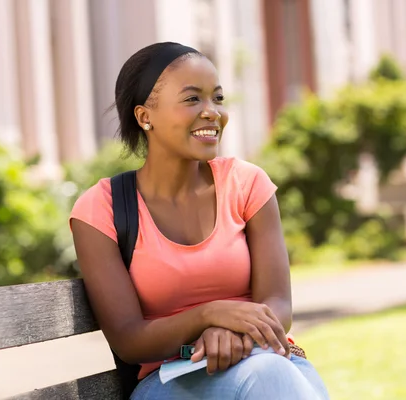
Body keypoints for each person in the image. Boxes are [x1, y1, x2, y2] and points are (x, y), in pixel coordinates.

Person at [69, 42, 330, 399]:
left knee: (270, 373)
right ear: (145, 116)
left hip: (266, 361)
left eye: (217, 99)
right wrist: (208, 317)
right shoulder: (102, 209)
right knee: (271, 377)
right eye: (193, 99)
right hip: (170, 382)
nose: (212, 112)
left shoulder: (246, 184)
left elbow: (278, 306)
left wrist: (233, 335)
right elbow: (129, 339)